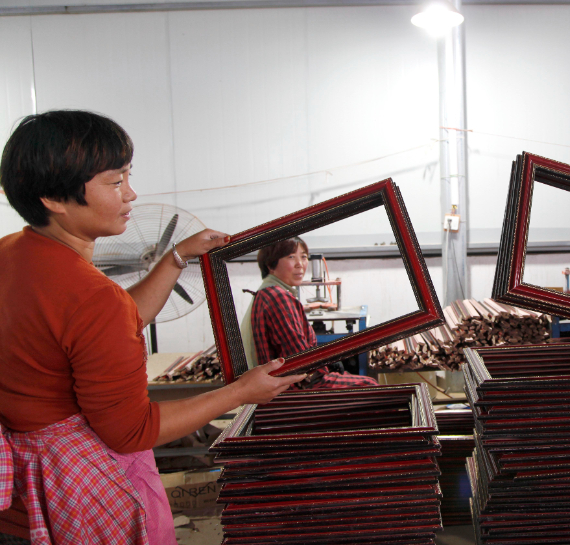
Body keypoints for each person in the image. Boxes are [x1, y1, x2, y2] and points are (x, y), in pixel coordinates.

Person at [0, 110, 308, 544]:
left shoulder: (12, 253)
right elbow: (132, 431)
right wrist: (240, 393)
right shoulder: (91, 296)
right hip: (77, 484)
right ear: (54, 198)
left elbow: (104, 324)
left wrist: (177, 257)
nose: (131, 194)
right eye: (115, 182)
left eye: (129, 176)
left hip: (22, 485)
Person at [240, 237, 378, 388]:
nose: (300, 264)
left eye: (304, 257)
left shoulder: (265, 293)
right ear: (270, 265)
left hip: (281, 384)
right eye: (291, 257)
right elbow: (302, 361)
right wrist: (326, 363)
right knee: (369, 385)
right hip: (294, 388)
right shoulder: (278, 298)